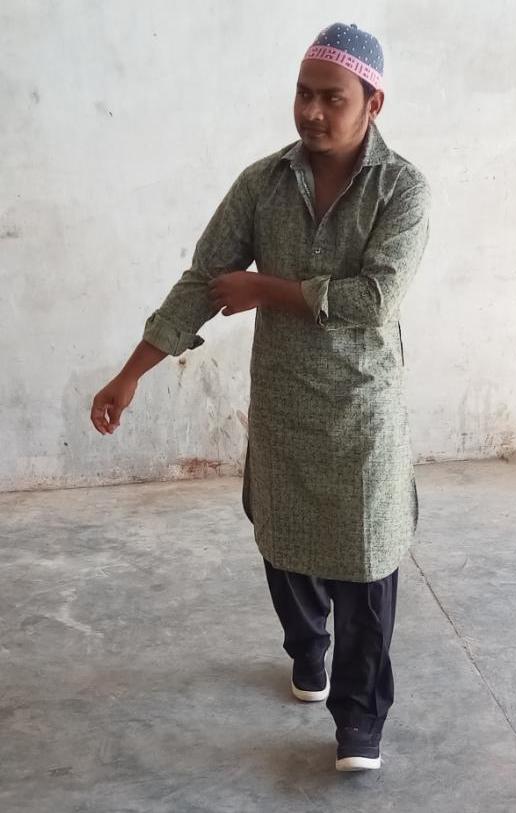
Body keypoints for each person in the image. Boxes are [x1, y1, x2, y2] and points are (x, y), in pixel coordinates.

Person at [90, 21, 431, 772]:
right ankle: (307, 649)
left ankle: (359, 721)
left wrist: (266, 289)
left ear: (372, 103)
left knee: (368, 561)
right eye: (303, 94)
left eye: (331, 98)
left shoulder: (401, 189)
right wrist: (131, 372)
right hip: (282, 406)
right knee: (282, 542)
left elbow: (375, 300)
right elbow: (202, 280)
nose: (312, 111)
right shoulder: (263, 183)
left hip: (363, 411)